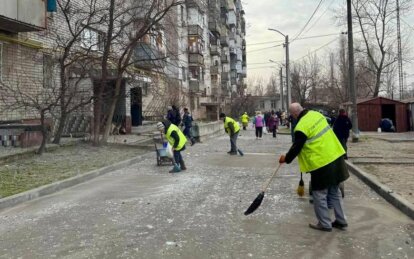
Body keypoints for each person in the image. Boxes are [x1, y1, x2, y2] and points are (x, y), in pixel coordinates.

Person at [279, 103, 349, 232]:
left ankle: (325, 224)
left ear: (294, 114)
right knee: (335, 191)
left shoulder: (301, 126)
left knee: (319, 194)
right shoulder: (317, 114)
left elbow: (297, 147)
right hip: (335, 155)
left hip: (321, 162)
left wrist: (286, 159)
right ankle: (341, 220)